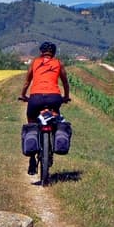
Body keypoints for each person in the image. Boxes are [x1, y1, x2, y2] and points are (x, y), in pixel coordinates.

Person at [19, 42, 70, 175]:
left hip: (35, 98)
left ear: (41, 52)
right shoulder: (58, 63)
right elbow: (65, 82)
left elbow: (27, 82)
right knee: (56, 118)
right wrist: (66, 97)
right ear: (54, 53)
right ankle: (53, 140)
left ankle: (31, 159)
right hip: (54, 97)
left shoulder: (35, 62)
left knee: (31, 122)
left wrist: (23, 95)